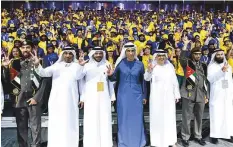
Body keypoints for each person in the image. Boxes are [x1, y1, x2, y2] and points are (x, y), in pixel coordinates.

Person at [33, 46, 88, 147]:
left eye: (70, 53)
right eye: (66, 53)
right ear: (62, 54)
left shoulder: (77, 66)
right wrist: (37, 65)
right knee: (57, 123)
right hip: (56, 101)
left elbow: (79, 78)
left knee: (70, 124)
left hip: (71, 101)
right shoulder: (56, 66)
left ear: (73, 55)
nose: (68, 55)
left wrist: (82, 98)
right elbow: (43, 73)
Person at [1, 40, 42, 147]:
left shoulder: (39, 61)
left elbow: (45, 82)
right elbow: (7, 82)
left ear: (32, 49)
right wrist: (5, 68)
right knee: (21, 130)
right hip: (19, 100)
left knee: (36, 128)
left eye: (28, 47)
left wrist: (37, 98)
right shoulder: (14, 62)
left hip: (34, 100)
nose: (25, 50)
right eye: (23, 47)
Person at [107, 42, 147, 147]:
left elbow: (143, 81)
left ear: (135, 52)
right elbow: (114, 78)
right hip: (123, 95)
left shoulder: (140, 64)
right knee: (124, 118)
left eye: (132, 51)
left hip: (137, 95)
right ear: (125, 52)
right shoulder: (121, 64)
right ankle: (123, 142)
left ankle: (138, 142)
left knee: (136, 118)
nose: (130, 53)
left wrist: (144, 96)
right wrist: (110, 75)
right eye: (128, 51)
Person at [79, 46, 115, 147]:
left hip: (104, 96)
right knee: (91, 120)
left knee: (105, 119)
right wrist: (82, 98)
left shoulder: (107, 64)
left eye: (100, 53)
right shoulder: (86, 65)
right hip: (90, 96)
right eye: (96, 53)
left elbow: (111, 82)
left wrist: (112, 96)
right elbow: (80, 80)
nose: (98, 55)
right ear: (92, 54)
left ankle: (105, 143)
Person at [144, 50, 180, 147]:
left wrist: (176, 94)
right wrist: (149, 70)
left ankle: (171, 141)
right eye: (159, 56)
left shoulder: (170, 67)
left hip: (169, 97)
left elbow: (174, 82)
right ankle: (156, 141)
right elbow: (146, 78)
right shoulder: (152, 66)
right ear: (156, 57)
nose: (161, 57)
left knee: (169, 118)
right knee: (157, 118)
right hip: (156, 98)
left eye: (163, 56)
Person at [180, 47, 208, 147]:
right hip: (188, 93)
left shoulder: (204, 65)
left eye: (199, 54)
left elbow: (205, 81)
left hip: (201, 94)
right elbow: (182, 58)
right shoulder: (187, 63)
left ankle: (198, 136)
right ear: (192, 55)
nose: (198, 56)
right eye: (195, 54)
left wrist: (206, 95)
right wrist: (185, 46)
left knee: (199, 117)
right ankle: (185, 137)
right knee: (186, 117)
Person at [207, 49, 233, 144]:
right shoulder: (212, 66)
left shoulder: (228, 66)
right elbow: (210, 79)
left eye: (222, 54)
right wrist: (221, 71)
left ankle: (227, 134)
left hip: (227, 95)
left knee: (227, 115)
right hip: (217, 95)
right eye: (218, 55)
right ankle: (214, 135)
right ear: (215, 56)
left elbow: (229, 80)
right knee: (216, 115)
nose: (220, 56)